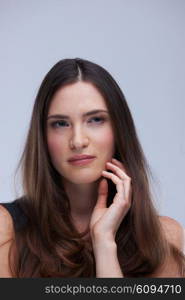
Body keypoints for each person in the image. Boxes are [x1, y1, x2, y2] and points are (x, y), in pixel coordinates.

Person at [0, 58, 184, 278]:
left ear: (119, 129)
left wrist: (104, 244)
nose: (78, 141)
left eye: (95, 119)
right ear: (43, 137)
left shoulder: (163, 237)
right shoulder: (6, 230)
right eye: (61, 123)